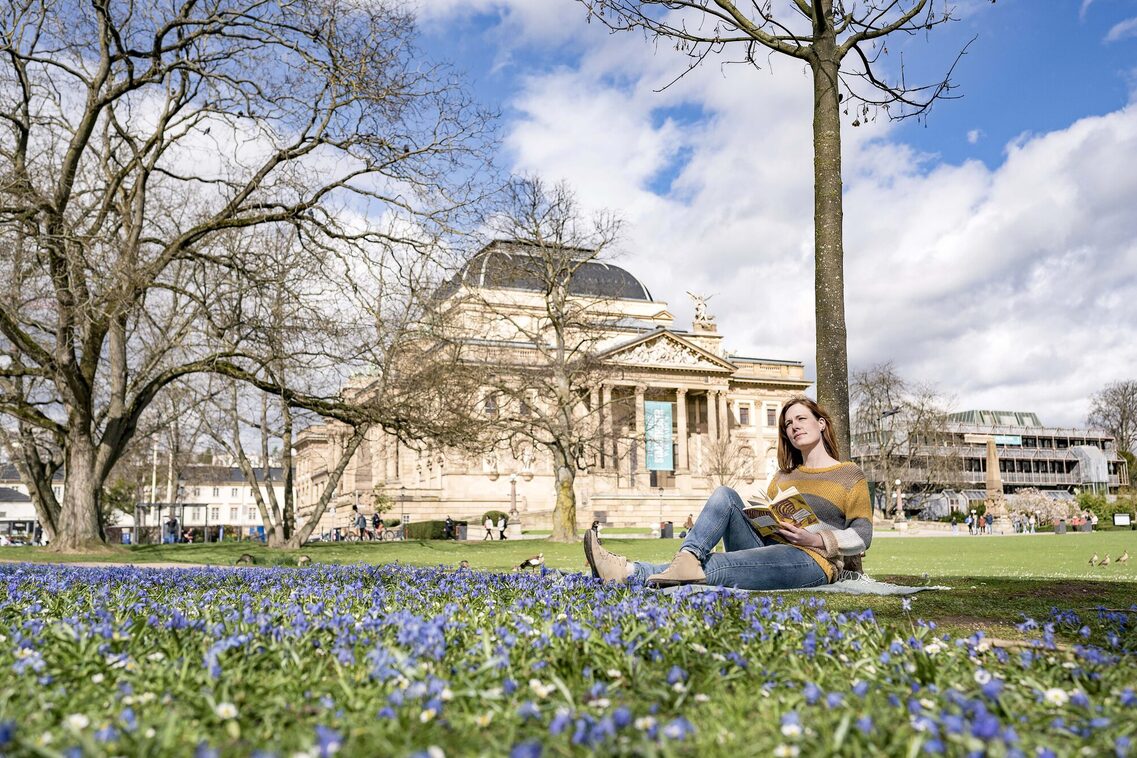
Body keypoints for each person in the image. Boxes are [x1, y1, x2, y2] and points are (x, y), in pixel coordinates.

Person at [585, 396, 872, 590]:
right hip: (768, 548)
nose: (794, 426)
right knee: (724, 494)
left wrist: (816, 538)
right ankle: (688, 554)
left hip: (812, 560)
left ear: (821, 423)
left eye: (801, 419)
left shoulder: (848, 474)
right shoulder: (782, 477)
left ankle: (629, 572)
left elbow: (863, 535)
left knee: (720, 565)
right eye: (787, 423)